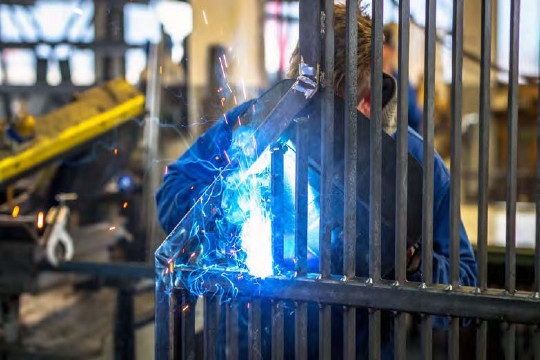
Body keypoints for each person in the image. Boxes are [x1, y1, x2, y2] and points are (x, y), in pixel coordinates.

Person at [156, 2, 477, 358]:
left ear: (368, 103)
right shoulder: (261, 124)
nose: (307, 130)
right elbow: (172, 193)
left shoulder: (414, 166)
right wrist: (228, 208)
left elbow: (465, 288)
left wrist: (411, 263)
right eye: (303, 108)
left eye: (329, 120)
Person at [382, 22, 423, 134]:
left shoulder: (403, 82)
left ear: (390, 50)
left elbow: (415, 117)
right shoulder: (366, 79)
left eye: (384, 46)